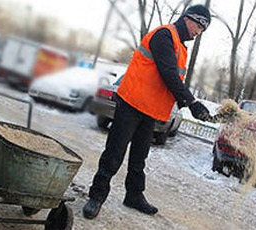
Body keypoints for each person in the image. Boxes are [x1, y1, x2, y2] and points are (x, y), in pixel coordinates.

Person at [83, 4, 212, 219]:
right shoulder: (164, 35)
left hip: (149, 108)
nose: (198, 32)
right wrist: (191, 102)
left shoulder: (180, 46)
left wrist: (189, 103)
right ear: (188, 18)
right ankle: (96, 196)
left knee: (139, 157)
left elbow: (172, 79)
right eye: (199, 25)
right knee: (115, 152)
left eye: (202, 29)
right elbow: (168, 73)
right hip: (132, 102)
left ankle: (133, 195)